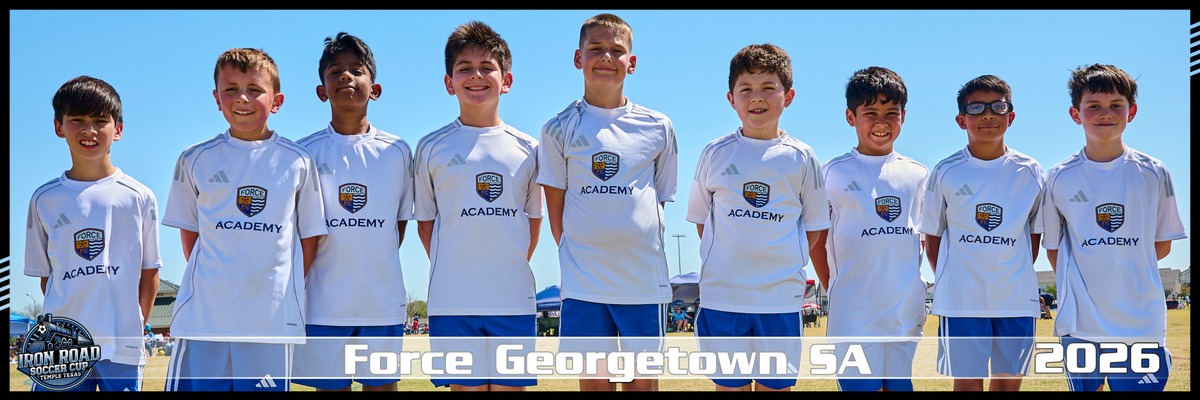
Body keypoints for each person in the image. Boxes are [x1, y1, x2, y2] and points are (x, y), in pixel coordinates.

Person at [162, 48, 328, 391]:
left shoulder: (297, 161)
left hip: (269, 321)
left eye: (254, 89)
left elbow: (309, 238)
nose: (242, 98)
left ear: (277, 101)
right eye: (231, 89)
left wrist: (277, 286)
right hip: (205, 319)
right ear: (216, 98)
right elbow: (191, 235)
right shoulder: (195, 159)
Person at [536, 13, 678, 392]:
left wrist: (630, 237)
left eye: (617, 50)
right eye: (595, 48)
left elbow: (659, 200)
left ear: (632, 62)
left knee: (641, 385)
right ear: (578, 58)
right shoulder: (557, 128)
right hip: (585, 285)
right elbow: (556, 212)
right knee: (596, 384)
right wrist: (584, 252)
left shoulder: (658, 126)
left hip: (642, 283)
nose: (606, 57)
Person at [685, 43, 829, 392]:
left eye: (768, 87)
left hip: (779, 300)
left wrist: (780, 261)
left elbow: (813, 229)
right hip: (724, 298)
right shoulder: (715, 153)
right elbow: (703, 221)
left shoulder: (801, 157)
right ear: (731, 99)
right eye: (746, 89)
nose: (757, 97)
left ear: (788, 96)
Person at [1041, 64, 1187, 392]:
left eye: (1115, 105)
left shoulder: (1154, 173)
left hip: (1140, 322)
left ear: (1131, 112)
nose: (1105, 113)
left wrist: (1123, 264)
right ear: (1076, 114)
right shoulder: (1058, 177)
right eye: (1093, 106)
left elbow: (1162, 245)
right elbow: (1054, 249)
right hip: (1080, 324)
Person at [415, 21, 542, 392]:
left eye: (487, 67)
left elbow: (533, 224)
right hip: (452, 302)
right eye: (465, 68)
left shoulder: (530, 149)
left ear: (507, 80)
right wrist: (459, 265)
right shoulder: (430, 147)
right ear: (449, 82)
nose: (476, 76)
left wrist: (501, 266)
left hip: (512, 300)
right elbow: (426, 224)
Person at [291, 32, 414, 392]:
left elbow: (397, 225)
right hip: (323, 304)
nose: (346, 76)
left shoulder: (397, 151)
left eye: (356, 70)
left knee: (382, 387)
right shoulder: (303, 154)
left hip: (381, 303)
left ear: (375, 89)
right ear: (321, 90)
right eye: (335, 71)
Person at [23, 76, 161, 391]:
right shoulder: (44, 199)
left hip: (121, 343)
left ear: (118, 129)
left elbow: (150, 271)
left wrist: (134, 325)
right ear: (59, 126)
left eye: (100, 121)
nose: (89, 130)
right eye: (77, 120)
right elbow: (47, 278)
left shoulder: (138, 196)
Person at [918, 74, 1044, 392]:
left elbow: (1033, 237)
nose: (988, 115)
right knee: (968, 385)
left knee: (1007, 384)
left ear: (1010, 116)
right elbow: (932, 237)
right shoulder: (945, 171)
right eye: (976, 108)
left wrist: (1009, 271)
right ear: (962, 120)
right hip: (962, 301)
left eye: (997, 107)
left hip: (1015, 300)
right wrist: (955, 277)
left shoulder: (1030, 171)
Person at [809, 66, 927, 392]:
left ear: (903, 116)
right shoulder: (832, 173)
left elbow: (924, 238)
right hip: (853, 314)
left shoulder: (918, 174)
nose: (881, 123)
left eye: (891, 113)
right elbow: (817, 241)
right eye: (870, 113)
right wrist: (836, 288)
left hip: (903, 312)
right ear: (851, 117)